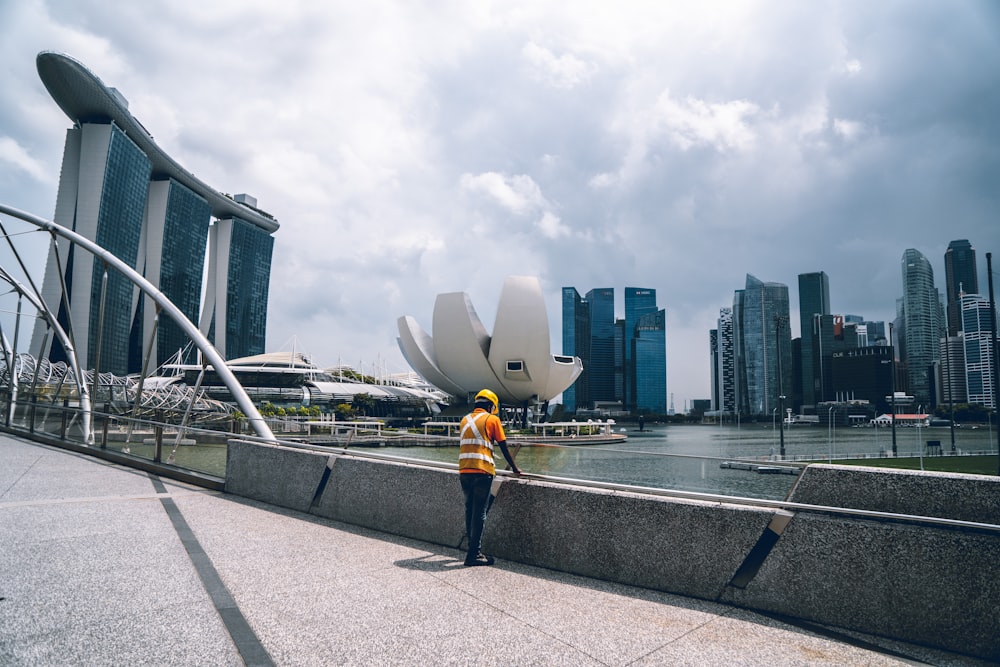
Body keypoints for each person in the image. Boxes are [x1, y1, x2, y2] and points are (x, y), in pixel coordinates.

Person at [458, 388, 521, 566]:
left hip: (464, 471)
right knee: (479, 514)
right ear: (491, 405)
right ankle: (474, 554)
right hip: (482, 471)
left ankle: (472, 548)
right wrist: (515, 468)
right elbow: (503, 446)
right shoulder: (492, 419)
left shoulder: (465, 419)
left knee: (469, 511)